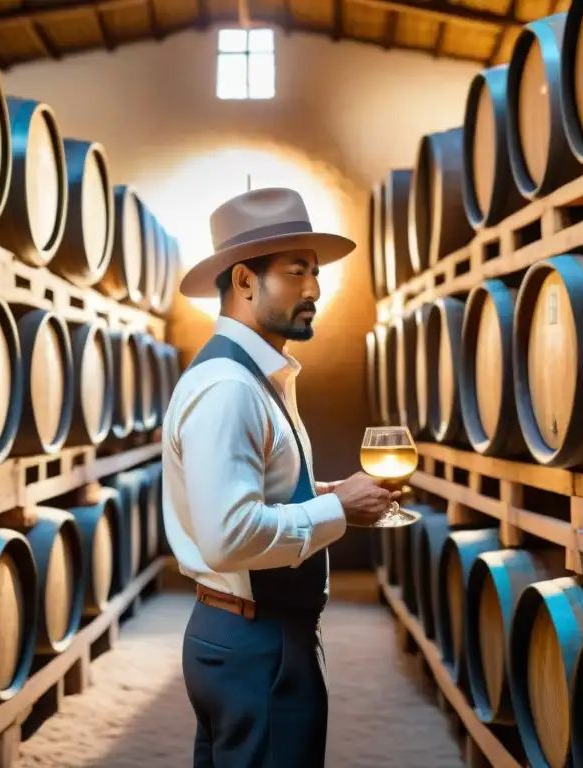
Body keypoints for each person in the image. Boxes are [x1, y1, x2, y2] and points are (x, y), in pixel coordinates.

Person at [161, 186, 398, 767]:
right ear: (245, 280)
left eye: (316, 273)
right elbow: (228, 536)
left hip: (251, 635)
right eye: (298, 272)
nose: (315, 289)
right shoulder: (231, 388)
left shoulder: (257, 376)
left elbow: (250, 494)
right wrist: (339, 511)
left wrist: (321, 494)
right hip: (256, 643)